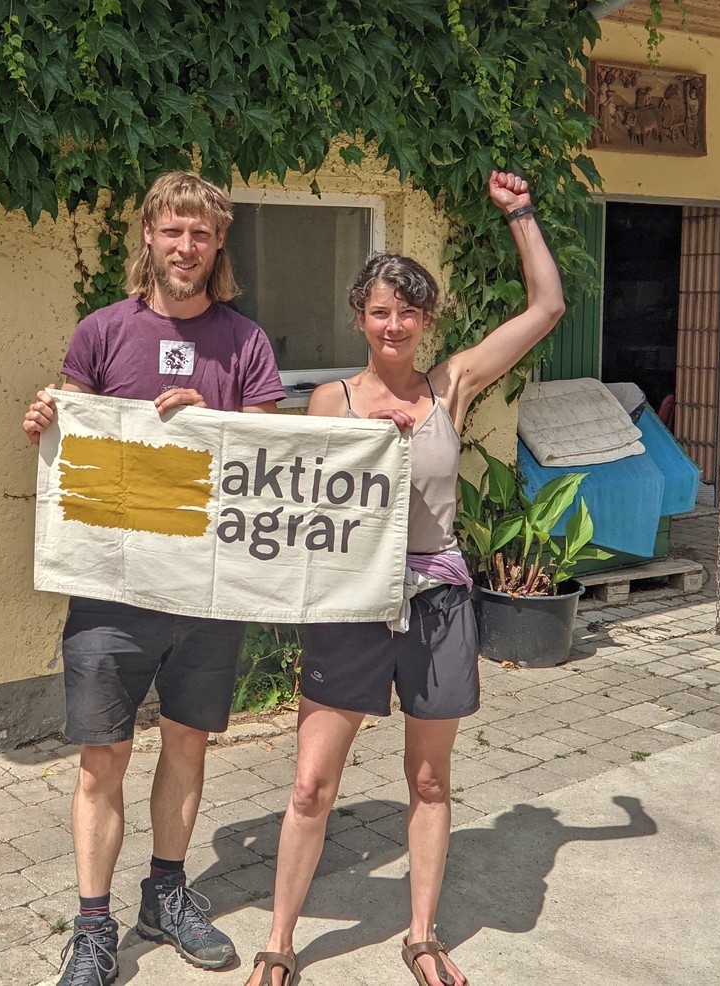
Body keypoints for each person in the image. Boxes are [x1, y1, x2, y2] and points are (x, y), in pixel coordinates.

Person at [241, 170, 565, 986]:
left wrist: (518, 214)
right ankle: (279, 943)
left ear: (426, 321)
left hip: (437, 601)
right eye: (379, 311)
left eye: (408, 312)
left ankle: (421, 936)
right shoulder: (328, 401)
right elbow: (274, 486)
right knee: (312, 785)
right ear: (360, 318)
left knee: (427, 778)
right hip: (349, 603)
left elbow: (544, 309)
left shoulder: (450, 386)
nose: (394, 325)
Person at [24, 171, 287, 986]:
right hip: (111, 587)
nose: (186, 248)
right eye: (173, 231)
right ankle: (94, 927)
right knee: (102, 757)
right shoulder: (100, 332)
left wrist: (212, 422)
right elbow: (74, 439)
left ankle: (165, 895)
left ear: (217, 245)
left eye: (201, 235)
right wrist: (45, 422)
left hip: (208, 587)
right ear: (147, 234)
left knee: (186, 744)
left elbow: (271, 454)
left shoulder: (245, 342)